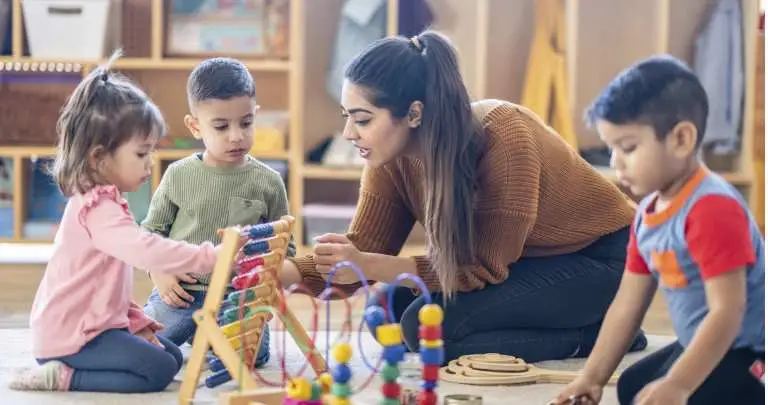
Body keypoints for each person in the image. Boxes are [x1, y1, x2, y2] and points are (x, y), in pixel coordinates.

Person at [278, 30, 647, 363]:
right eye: (347, 117)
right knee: (386, 312)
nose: (348, 133)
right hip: (525, 262)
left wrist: (369, 264)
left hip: (605, 261)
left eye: (362, 120)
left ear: (414, 113)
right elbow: (362, 250)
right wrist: (283, 273)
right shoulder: (389, 157)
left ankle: (597, 337)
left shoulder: (503, 138)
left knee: (428, 331)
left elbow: (480, 267)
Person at [551, 56, 765, 405]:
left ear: (681, 139)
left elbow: (728, 312)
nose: (616, 162)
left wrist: (679, 385)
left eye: (629, 147)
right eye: (611, 148)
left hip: (749, 350)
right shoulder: (648, 213)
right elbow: (627, 303)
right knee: (634, 387)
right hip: (705, 338)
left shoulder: (712, 208)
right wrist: (590, 378)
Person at [8, 51, 222, 393]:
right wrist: (211, 257)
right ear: (99, 157)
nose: (150, 163)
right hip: (72, 338)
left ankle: (80, 365)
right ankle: (63, 376)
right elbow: (145, 251)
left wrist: (134, 321)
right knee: (159, 370)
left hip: (92, 325)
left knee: (169, 354)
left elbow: (106, 284)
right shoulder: (97, 208)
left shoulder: (104, 200)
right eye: (141, 153)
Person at [142, 57, 294, 367]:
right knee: (143, 347)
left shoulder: (269, 181)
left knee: (249, 357)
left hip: (236, 299)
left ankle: (207, 337)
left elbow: (285, 248)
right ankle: (198, 333)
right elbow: (149, 234)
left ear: (256, 115)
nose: (236, 135)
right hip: (181, 292)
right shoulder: (178, 175)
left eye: (246, 122)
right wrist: (160, 271)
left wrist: (261, 282)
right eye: (221, 126)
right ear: (195, 126)